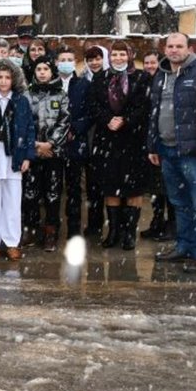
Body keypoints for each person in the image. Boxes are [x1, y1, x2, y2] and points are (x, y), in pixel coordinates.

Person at [148, 33, 196, 274]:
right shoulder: (160, 75)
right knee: (179, 203)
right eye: (170, 46)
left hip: (193, 153)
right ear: (164, 49)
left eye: (179, 46)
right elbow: (154, 113)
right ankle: (184, 246)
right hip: (166, 150)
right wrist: (152, 145)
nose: (174, 50)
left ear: (189, 49)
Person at [89, 42, 151, 251]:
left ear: (130, 55)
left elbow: (144, 106)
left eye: (122, 54)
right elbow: (94, 106)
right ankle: (114, 230)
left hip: (132, 138)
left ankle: (129, 232)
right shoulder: (100, 78)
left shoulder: (142, 78)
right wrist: (108, 119)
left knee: (133, 187)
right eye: (114, 54)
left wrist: (124, 119)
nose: (118, 58)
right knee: (110, 185)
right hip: (107, 138)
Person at [0, 58, 35, 262]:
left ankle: (12, 242)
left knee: (12, 201)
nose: (3, 81)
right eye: (0, 77)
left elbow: (29, 129)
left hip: (14, 155)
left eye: (7, 77)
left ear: (14, 80)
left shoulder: (21, 101)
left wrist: (28, 156)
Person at [24, 59, 69, 252]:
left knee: (52, 194)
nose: (42, 73)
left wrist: (50, 143)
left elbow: (64, 121)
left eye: (45, 69)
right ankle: (31, 229)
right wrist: (35, 145)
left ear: (52, 72)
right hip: (33, 153)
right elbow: (23, 122)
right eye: (38, 69)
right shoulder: (27, 94)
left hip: (53, 153)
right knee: (30, 193)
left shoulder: (61, 94)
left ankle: (51, 232)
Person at [55, 46, 92, 241]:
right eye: (63, 59)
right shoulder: (51, 83)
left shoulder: (83, 85)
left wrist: (74, 129)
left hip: (75, 143)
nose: (66, 62)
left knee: (74, 188)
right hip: (54, 144)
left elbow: (89, 113)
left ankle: (74, 228)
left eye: (70, 59)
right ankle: (51, 229)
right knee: (52, 188)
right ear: (56, 62)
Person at [139, 51, 175, 240]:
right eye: (146, 62)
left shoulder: (168, 81)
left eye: (153, 62)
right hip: (150, 142)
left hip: (165, 140)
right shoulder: (142, 81)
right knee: (155, 188)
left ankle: (172, 224)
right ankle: (157, 220)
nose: (149, 66)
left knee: (169, 187)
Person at [80, 45, 110, 238]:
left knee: (109, 183)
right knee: (92, 184)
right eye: (90, 59)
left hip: (107, 134)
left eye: (98, 58)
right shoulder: (81, 80)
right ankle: (94, 222)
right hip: (88, 136)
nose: (94, 62)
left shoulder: (112, 79)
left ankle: (115, 224)